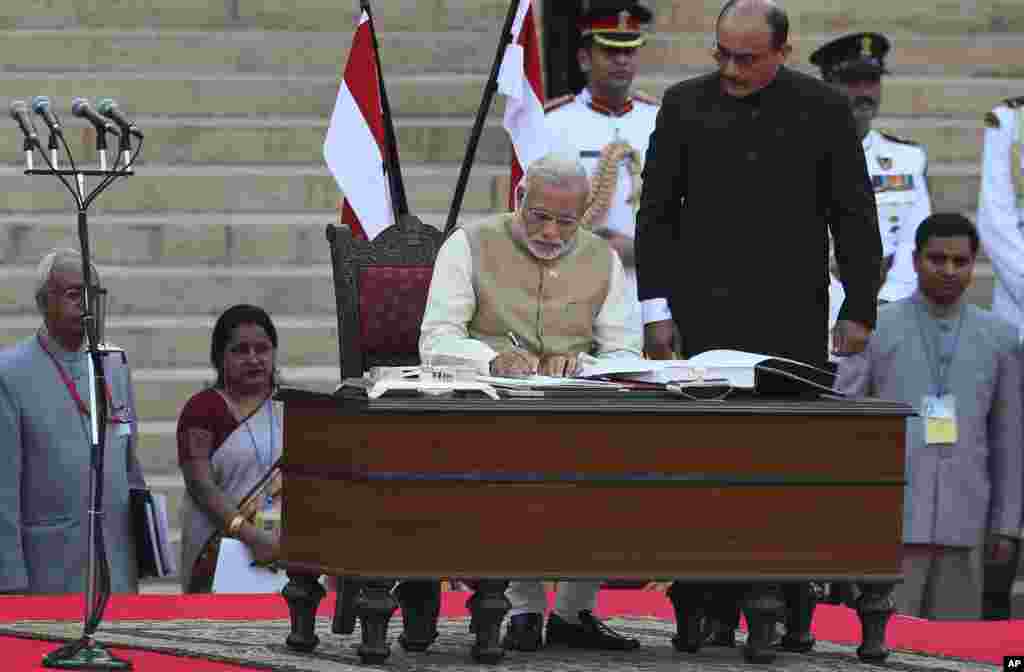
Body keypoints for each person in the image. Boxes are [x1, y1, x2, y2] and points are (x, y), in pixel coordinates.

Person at [634, 0, 882, 658]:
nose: (731, 69)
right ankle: (699, 607)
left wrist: (860, 306)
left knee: (783, 467)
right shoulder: (684, 104)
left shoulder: (823, 109)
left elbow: (853, 214)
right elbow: (655, 213)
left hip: (791, 318)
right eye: (722, 54)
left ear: (783, 52)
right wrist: (654, 309)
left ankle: (785, 609)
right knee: (701, 468)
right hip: (701, 318)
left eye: (746, 58)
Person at [420, 151, 643, 651]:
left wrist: (583, 366)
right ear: (519, 197)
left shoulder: (601, 259)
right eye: (539, 216)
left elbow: (625, 350)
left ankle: (573, 611)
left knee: (621, 460)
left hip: (578, 413)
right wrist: (491, 360)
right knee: (513, 463)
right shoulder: (469, 245)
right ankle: (522, 607)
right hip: (489, 412)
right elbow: (436, 339)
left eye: (567, 222)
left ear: (583, 215)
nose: (550, 233)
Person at [836, 213, 1023, 620]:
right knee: (886, 642)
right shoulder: (877, 327)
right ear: (916, 260)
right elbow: (848, 426)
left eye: (961, 261)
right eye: (937, 259)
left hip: (967, 517)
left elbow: (1009, 439)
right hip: (890, 520)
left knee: (958, 648)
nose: (949, 270)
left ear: (975, 264)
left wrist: (1007, 524)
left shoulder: (1001, 338)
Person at [0, 248, 145, 594]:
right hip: (49, 568)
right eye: (72, 294)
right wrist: (9, 580)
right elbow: (3, 487)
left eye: (93, 294)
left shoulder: (114, 363)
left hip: (117, 564)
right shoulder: (10, 373)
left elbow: (129, 460)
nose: (86, 304)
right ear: (42, 302)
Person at [544, 0, 659, 334]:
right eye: (610, 52)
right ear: (584, 58)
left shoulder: (660, 120)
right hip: (577, 280)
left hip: (648, 289)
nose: (622, 61)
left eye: (630, 52)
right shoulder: (554, 123)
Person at [811, 33, 933, 335]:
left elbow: (914, 240)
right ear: (826, 86)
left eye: (872, 80)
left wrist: (888, 299)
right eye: (852, 82)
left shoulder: (907, 158)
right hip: (819, 306)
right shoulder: (796, 155)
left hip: (894, 307)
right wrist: (847, 304)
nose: (864, 92)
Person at [177, 304, 283, 593]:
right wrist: (248, 535)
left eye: (262, 349)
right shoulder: (202, 410)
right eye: (240, 350)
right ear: (220, 357)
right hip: (218, 548)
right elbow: (200, 484)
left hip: (282, 550)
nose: (253, 359)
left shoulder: (291, 408)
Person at [976, 95, 1024, 619]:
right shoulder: (1011, 119)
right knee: (1009, 472)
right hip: (1019, 318)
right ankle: (996, 623)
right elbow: (995, 217)